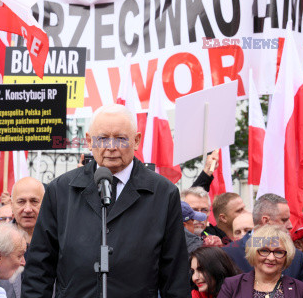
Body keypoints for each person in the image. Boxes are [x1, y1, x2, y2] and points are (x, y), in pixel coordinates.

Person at [21, 104, 190, 297]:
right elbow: (38, 270)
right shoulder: (61, 191)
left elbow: (175, 276)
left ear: (136, 141)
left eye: (120, 139)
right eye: (102, 139)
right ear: (89, 141)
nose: (111, 147)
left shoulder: (163, 193)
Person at [223, 194, 303, 284]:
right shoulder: (227, 255)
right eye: (284, 220)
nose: (290, 225)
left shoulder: (296, 257)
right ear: (266, 221)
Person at [218, 225, 303, 298]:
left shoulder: (302, 291)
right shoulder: (232, 285)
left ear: (286, 257)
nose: (271, 258)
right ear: (253, 253)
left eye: (278, 252)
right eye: (264, 251)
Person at [9, 177, 45, 244]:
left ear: (45, 203)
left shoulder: (58, 239)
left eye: (34, 201)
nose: (27, 209)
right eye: (21, 202)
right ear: (12, 205)